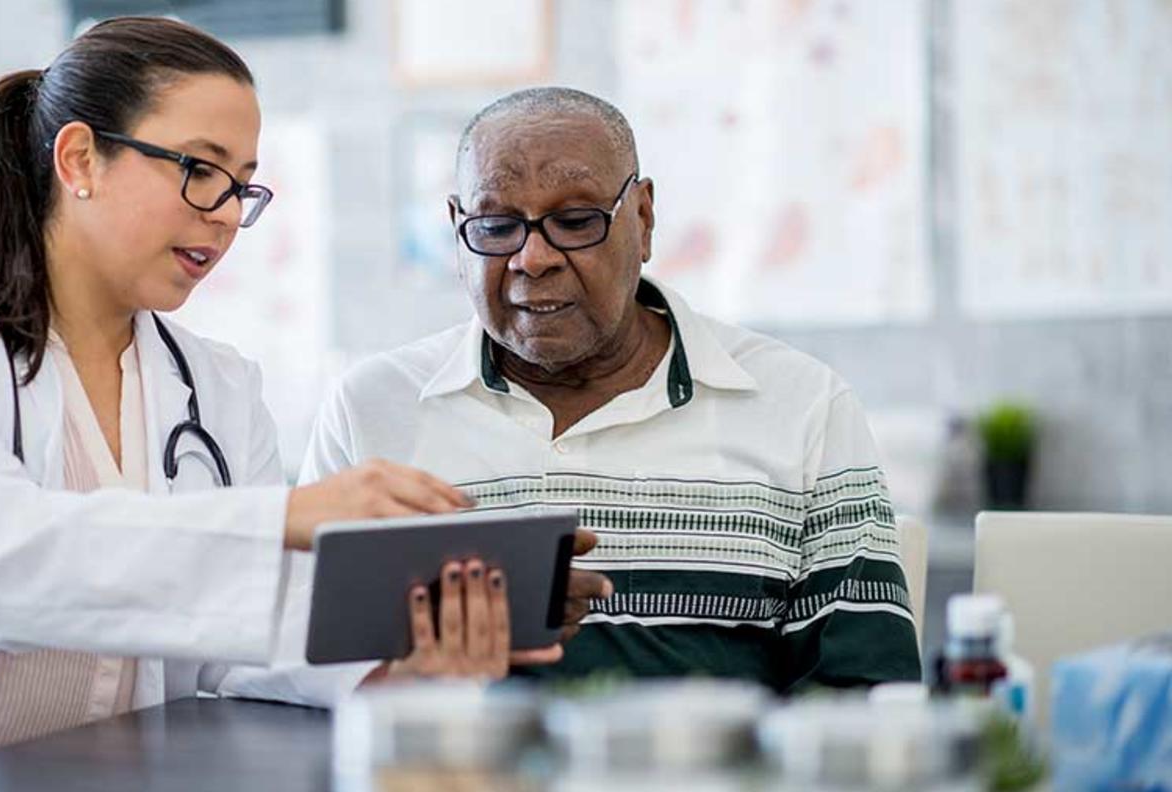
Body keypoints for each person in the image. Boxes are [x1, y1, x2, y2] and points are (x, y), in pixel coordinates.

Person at [0, 20, 571, 791]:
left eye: (243, 188)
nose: (224, 215)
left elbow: (247, 640)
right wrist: (284, 517)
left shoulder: (217, 387)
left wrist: (407, 652)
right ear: (80, 159)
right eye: (199, 169)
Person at [295, 87, 922, 693]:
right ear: (457, 230)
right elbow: (295, 668)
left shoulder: (801, 405)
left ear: (643, 220)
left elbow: (864, 692)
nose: (532, 258)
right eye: (495, 226)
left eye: (574, 221)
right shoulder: (371, 409)